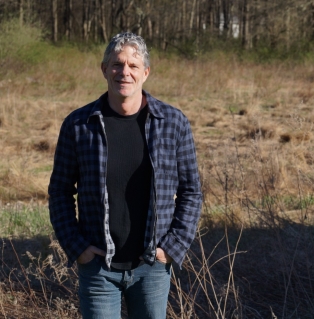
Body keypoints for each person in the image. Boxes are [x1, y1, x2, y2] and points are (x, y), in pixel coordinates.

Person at [48, 32, 202, 319]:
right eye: (117, 64)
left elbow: (192, 191)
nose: (124, 72)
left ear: (145, 72)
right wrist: (77, 246)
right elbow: (59, 190)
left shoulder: (173, 122)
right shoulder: (78, 124)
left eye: (133, 65)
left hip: (152, 267)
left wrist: (173, 247)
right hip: (98, 266)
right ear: (104, 69)